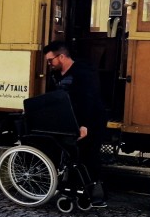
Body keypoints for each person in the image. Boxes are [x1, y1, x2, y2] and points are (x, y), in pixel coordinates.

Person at [41, 40, 108, 207]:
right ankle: (76, 190)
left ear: (61, 56)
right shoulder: (56, 74)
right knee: (73, 156)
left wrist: (84, 125)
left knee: (90, 156)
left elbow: (89, 99)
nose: (49, 64)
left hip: (91, 120)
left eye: (51, 60)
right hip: (70, 120)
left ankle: (97, 195)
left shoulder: (83, 73)